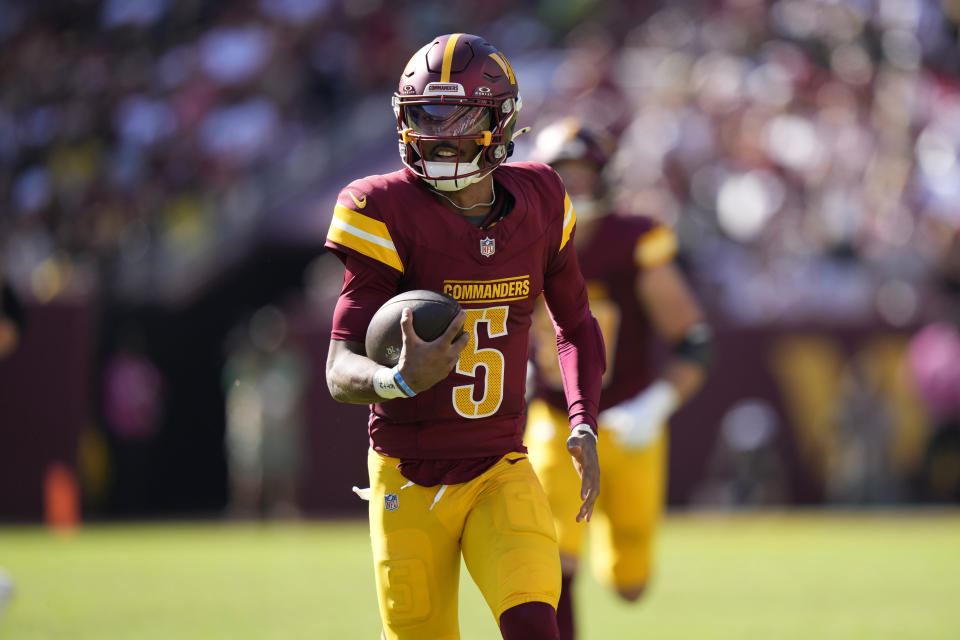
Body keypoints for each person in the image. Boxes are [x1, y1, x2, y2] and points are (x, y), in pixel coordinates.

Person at [323, 34, 606, 640]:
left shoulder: (543, 197)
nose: (438, 133)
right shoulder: (380, 207)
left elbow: (576, 323)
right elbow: (338, 366)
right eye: (424, 114)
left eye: (459, 116)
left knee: (536, 624)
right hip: (407, 470)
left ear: (500, 120)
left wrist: (582, 418)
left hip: (499, 464)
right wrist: (395, 380)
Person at [524, 119, 712, 639]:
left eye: (582, 174)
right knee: (551, 558)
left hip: (628, 420)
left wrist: (655, 405)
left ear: (605, 177)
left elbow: (693, 340)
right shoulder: (521, 240)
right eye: (561, 175)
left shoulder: (634, 239)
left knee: (630, 582)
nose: (572, 187)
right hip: (555, 418)